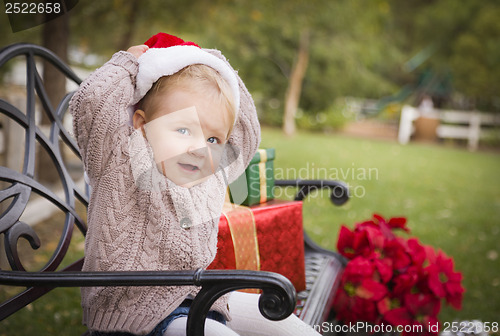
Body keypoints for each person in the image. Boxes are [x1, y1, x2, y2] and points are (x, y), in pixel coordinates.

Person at [71, 32, 319, 336]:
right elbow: (93, 103)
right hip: (136, 317)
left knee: (289, 326)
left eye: (213, 138)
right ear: (141, 125)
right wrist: (128, 62)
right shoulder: (124, 161)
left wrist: (212, 62)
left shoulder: (209, 173)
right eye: (184, 130)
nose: (200, 148)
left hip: (197, 297)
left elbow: (246, 130)